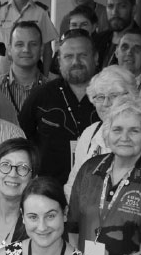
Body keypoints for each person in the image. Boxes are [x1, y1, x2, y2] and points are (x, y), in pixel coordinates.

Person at [67, 97, 141, 255]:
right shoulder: (89, 169)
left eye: (134, 131)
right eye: (117, 130)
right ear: (107, 136)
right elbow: (73, 228)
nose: (124, 137)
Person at [64, 64, 141, 198]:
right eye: (100, 97)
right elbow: (73, 185)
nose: (106, 103)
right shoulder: (90, 133)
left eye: (113, 95)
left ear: (131, 96)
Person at [19, 29, 99, 182]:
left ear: (95, 58)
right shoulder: (41, 96)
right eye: (68, 56)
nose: (76, 62)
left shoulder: (109, 96)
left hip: (98, 191)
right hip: (49, 192)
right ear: (59, 61)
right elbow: (22, 139)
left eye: (83, 55)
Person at [0, 0, 59, 74]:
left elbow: (47, 50)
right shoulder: (1, 12)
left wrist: (45, 75)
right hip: (5, 71)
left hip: (33, 71)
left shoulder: (41, 12)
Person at [93, 0, 141, 74]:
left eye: (122, 6)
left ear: (134, 9)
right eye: (110, 6)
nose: (114, 12)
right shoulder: (97, 40)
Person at [0, 21, 50, 115]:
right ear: (9, 49)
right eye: (19, 44)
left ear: (41, 49)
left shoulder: (53, 91)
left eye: (33, 44)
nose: (26, 49)